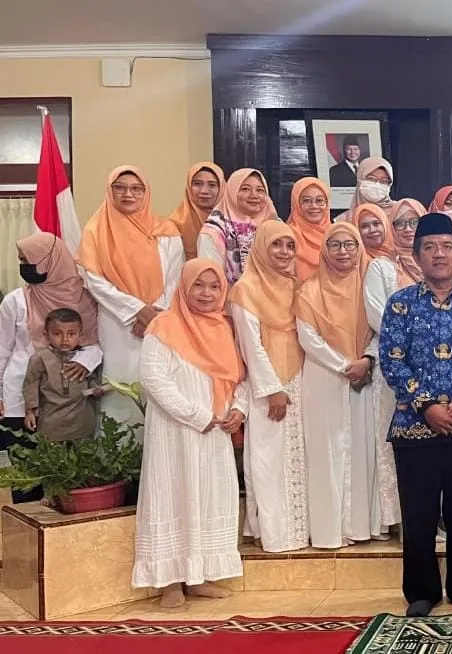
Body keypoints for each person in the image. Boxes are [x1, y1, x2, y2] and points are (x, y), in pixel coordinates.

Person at [378, 212, 452, 618]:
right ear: (416, 256)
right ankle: (421, 591)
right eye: (429, 247)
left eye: (446, 246)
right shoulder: (400, 304)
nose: (439, 254)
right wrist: (425, 405)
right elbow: (392, 360)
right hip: (415, 428)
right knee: (419, 515)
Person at [131, 258, 248, 609]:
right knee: (173, 496)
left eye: (214, 286)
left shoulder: (225, 328)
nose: (206, 293)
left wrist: (239, 409)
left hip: (215, 434)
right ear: (184, 287)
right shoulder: (164, 325)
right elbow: (153, 379)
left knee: (209, 498)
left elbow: (240, 378)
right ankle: (169, 581)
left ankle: (199, 576)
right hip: (175, 433)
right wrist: (197, 415)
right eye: (198, 285)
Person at [296, 221, 385, 547]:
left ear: (359, 248)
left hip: (363, 376)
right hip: (324, 378)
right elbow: (307, 337)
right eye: (334, 245)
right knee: (327, 453)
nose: (343, 251)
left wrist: (368, 360)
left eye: (349, 244)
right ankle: (329, 531)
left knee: (361, 452)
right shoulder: (309, 290)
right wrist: (345, 365)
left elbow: (380, 329)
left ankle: (361, 526)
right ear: (324, 250)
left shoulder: (367, 288)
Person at [76, 166, 184, 427]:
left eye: (136, 189)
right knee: (118, 383)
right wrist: (136, 309)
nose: (128, 194)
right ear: (109, 191)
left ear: (146, 193)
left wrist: (152, 314)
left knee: (156, 379)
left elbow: (176, 276)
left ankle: (154, 445)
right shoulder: (96, 230)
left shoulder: (165, 230)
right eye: (120, 188)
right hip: (116, 321)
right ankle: (117, 448)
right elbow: (94, 280)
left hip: (159, 319)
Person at [1, 234, 102, 501]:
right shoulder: (15, 301)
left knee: (71, 478)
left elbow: (95, 343)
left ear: (50, 260)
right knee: (26, 478)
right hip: (18, 400)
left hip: (67, 406)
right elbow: (1, 350)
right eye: (21, 261)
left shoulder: (83, 300)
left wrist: (84, 362)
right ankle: (27, 524)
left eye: (29, 261)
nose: (24, 267)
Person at [228, 221, 309, 553]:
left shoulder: (295, 286)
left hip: (299, 380)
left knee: (296, 458)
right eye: (276, 244)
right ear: (260, 247)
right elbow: (250, 345)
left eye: (290, 246)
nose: (284, 252)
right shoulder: (245, 289)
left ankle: (300, 530)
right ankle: (274, 533)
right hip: (268, 386)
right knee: (267, 459)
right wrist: (272, 388)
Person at [22, 308, 103, 442]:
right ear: (46, 334)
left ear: (80, 335)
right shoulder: (40, 358)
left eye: (71, 334)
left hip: (81, 420)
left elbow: (91, 380)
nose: (65, 339)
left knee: (83, 452)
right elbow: (30, 385)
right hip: (51, 419)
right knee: (51, 453)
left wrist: (96, 389)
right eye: (57, 334)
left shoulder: (85, 358)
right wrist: (30, 412)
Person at [198, 168, 277, 286]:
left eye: (260, 190)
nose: (254, 195)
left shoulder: (275, 225)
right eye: (245, 189)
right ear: (232, 192)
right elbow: (210, 278)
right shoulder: (214, 230)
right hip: (230, 295)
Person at [167, 162, 226, 260]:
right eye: (197, 184)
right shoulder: (175, 224)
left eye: (212, 185)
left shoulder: (231, 221)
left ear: (222, 188)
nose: (204, 191)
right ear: (189, 187)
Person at [288, 177, 332, 281]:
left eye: (319, 200)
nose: (314, 206)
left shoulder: (337, 235)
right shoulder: (286, 236)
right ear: (296, 203)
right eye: (306, 201)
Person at [334, 156, 396, 223]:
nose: (377, 185)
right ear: (360, 179)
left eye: (384, 181)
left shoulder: (399, 211)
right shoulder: (343, 221)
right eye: (371, 179)